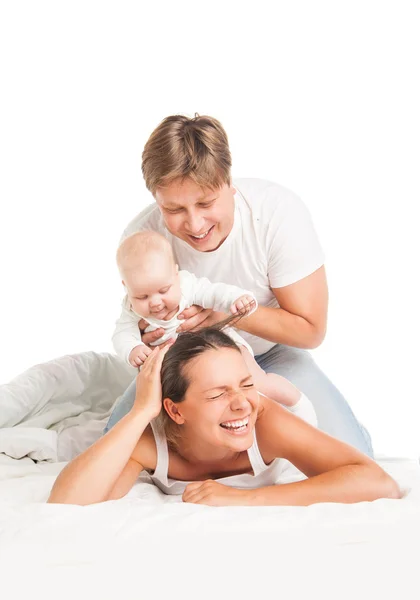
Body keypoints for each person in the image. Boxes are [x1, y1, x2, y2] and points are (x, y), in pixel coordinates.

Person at [105, 113, 373, 456]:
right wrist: (147, 335)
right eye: (174, 208)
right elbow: (138, 315)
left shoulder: (276, 213)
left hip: (270, 353)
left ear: (229, 184)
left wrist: (224, 319)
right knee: (116, 447)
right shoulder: (143, 238)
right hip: (190, 364)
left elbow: (310, 331)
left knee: (352, 455)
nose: (195, 223)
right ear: (157, 200)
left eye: (206, 203)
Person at [48, 329, 399, 506]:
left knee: (341, 435)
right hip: (160, 403)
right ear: (175, 410)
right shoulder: (152, 441)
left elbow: (378, 481)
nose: (240, 404)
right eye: (217, 394)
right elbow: (68, 501)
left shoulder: (265, 418)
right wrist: (141, 411)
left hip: (286, 400)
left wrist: (241, 499)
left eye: (242, 385)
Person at [112, 230, 317, 425]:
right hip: (182, 367)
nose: (155, 303)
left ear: (175, 274)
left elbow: (214, 293)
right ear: (125, 286)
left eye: (163, 290)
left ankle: (296, 401)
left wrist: (236, 300)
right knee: (168, 403)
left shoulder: (187, 286)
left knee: (256, 382)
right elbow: (122, 334)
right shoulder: (130, 309)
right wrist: (133, 348)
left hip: (220, 348)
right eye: (142, 296)